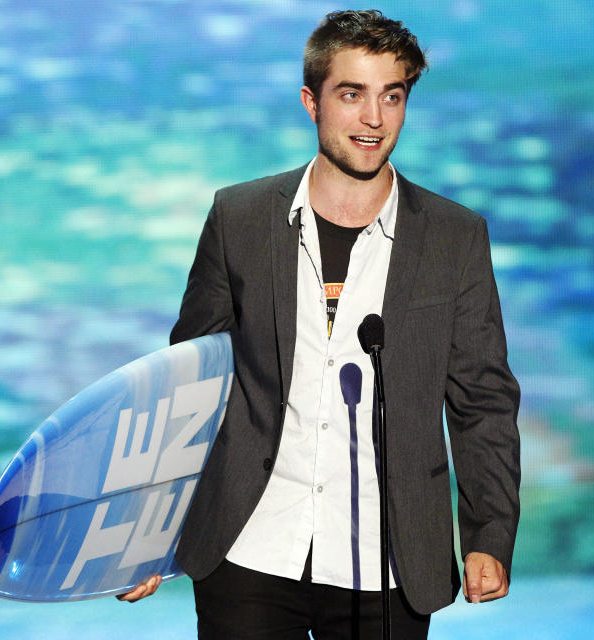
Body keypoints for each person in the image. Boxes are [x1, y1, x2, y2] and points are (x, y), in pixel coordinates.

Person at [119, 9, 520, 639]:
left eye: (392, 96)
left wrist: (489, 533)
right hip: (249, 544)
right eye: (352, 94)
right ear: (312, 101)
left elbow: (482, 401)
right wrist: (149, 527)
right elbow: (189, 381)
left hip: (385, 560)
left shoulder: (453, 237)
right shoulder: (240, 217)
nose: (373, 119)